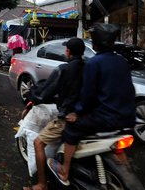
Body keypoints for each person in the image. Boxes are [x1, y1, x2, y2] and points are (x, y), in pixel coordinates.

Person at [47, 23, 136, 186]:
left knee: (71, 129)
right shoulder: (122, 61)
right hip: (128, 117)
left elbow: (88, 95)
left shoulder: (94, 63)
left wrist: (77, 112)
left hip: (106, 118)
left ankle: (64, 170)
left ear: (95, 43)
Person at [23, 38, 85, 190]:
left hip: (68, 116)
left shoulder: (64, 69)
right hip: (88, 116)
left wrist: (33, 100)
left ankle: (41, 184)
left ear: (68, 51)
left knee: (38, 142)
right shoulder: (89, 67)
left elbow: (45, 93)